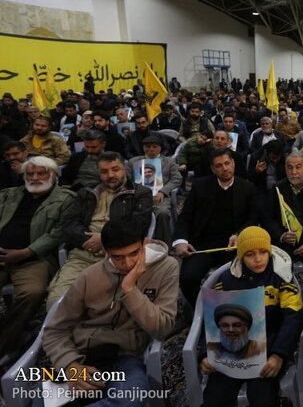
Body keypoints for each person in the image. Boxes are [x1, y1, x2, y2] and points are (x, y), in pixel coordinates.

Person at [42, 217, 179, 407]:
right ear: (106, 252)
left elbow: (162, 328)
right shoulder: (90, 276)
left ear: (144, 243)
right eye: (118, 257)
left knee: (130, 398)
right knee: (41, 401)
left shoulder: (166, 267)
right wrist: (70, 365)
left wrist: (130, 289)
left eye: (134, 253)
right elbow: (55, 330)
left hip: (126, 356)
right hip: (82, 353)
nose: (128, 263)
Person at [200, 226, 303, 407]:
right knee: (214, 399)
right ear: (241, 256)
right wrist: (205, 355)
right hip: (230, 354)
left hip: (268, 352)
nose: (258, 259)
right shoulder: (225, 280)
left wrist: (279, 355)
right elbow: (211, 322)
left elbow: (293, 317)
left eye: (263, 252)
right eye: (250, 254)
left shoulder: (281, 277)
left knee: (262, 398)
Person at [47, 151, 153, 307]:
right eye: (104, 171)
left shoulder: (140, 193)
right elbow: (69, 223)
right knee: (58, 301)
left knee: (106, 303)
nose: (110, 175)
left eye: (115, 169)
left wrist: (103, 239)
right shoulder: (85, 193)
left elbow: (138, 225)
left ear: (124, 168)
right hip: (84, 253)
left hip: (120, 255)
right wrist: (88, 241)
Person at [0, 156, 75, 361]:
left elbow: (59, 233)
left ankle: (8, 342)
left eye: (41, 173)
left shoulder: (65, 199)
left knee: (32, 292)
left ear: (53, 175)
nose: (34, 177)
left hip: (34, 258)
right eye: (30, 174)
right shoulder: (8, 196)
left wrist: (27, 252)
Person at [173, 148, 256, 306]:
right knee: (187, 278)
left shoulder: (247, 188)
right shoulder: (200, 186)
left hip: (233, 246)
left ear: (233, 163)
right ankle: (204, 310)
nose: (225, 168)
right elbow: (185, 217)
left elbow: (252, 218)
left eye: (227, 163)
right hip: (203, 245)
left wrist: (240, 234)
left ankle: (239, 310)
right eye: (219, 166)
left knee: (247, 275)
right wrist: (180, 241)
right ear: (212, 168)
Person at [128, 134, 183, 246]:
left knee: (162, 213)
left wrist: (163, 191)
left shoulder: (169, 162)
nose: (151, 149)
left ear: (160, 148)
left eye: (154, 146)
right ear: (143, 147)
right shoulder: (133, 162)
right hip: (138, 197)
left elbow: (177, 179)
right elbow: (127, 181)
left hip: (160, 197)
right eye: (147, 146)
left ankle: (164, 245)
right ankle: (135, 244)